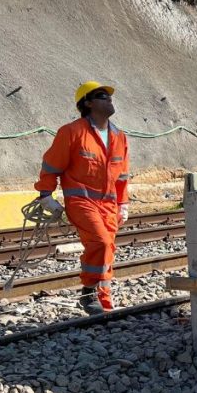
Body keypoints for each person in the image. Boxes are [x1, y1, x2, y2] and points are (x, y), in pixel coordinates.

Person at [34, 81, 130, 315]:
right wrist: (46, 195)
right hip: (81, 201)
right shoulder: (72, 132)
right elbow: (51, 165)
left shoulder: (119, 137)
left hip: (108, 204)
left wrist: (123, 203)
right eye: (101, 95)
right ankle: (88, 292)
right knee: (100, 242)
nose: (108, 99)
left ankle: (104, 302)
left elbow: (122, 176)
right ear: (87, 103)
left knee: (108, 251)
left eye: (109, 96)